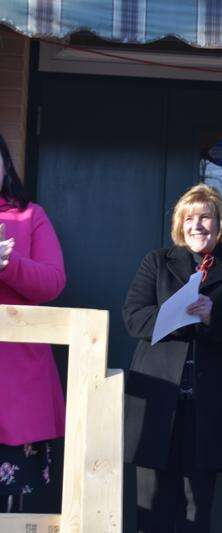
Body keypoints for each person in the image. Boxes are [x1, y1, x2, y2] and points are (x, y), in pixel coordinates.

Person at [122, 184, 222, 532]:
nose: (196, 225)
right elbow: (133, 317)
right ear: (180, 225)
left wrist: (213, 318)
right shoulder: (157, 262)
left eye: (205, 217)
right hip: (158, 401)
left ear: (220, 223)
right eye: (188, 218)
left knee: (197, 508)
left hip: (207, 408)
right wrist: (176, 314)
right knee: (152, 506)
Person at [0, 133, 66, 512]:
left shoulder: (29, 216)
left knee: (12, 513)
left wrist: (9, 265)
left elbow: (53, 281)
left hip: (19, 386)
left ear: (6, 165)